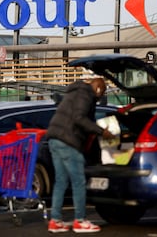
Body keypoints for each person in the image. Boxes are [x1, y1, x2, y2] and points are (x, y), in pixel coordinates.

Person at [46, 77, 115, 233]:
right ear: (98, 88)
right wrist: (101, 131)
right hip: (68, 140)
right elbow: (79, 118)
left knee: (61, 181)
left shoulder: (74, 91)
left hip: (54, 139)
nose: (99, 98)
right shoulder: (85, 94)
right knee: (79, 181)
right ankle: (80, 220)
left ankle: (55, 221)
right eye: (101, 93)